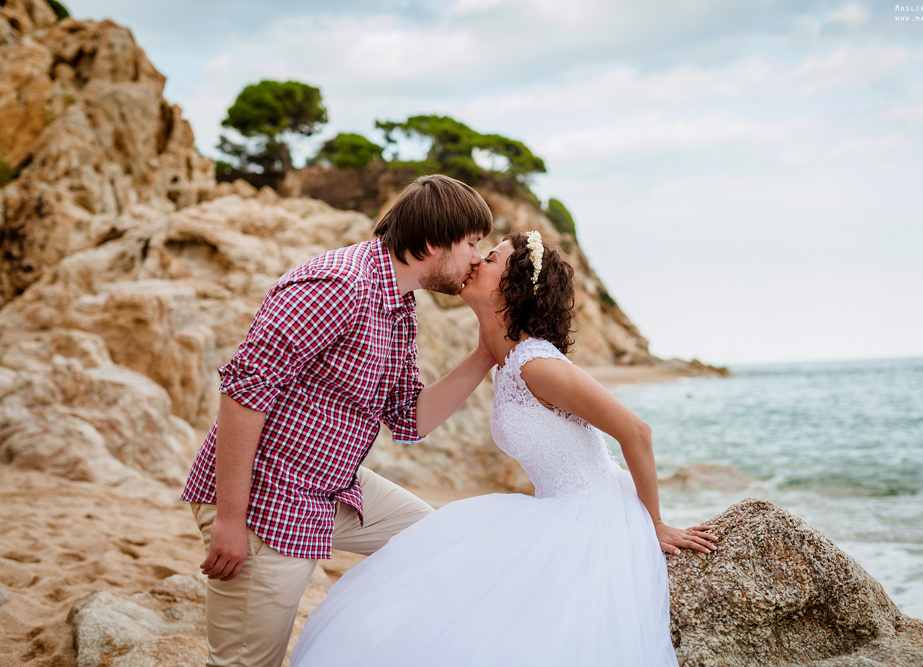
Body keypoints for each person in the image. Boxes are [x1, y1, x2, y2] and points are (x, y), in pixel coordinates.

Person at [291, 231, 718, 666]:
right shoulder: (506, 359)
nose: (475, 261)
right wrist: (485, 347)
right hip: (553, 509)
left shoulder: (536, 363)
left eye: (490, 258)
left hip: (594, 514)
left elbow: (636, 431)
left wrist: (656, 523)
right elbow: (414, 418)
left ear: (511, 288)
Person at [181, 174, 499, 667]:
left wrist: (485, 353)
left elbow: (410, 418)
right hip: (268, 501)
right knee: (246, 664)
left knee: (437, 542)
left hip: (333, 488)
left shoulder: (398, 302)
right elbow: (244, 393)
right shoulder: (339, 286)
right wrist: (228, 518)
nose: (478, 258)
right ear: (434, 243)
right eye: (473, 243)